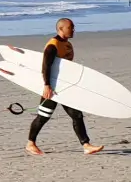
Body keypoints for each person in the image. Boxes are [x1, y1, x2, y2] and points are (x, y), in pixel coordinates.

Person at [26, 18, 104, 156]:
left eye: (73, 27)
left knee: (77, 115)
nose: (73, 30)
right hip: (53, 87)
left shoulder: (67, 44)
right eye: (70, 27)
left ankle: (86, 145)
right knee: (43, 116)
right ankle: (30, 143)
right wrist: (47, 85)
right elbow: (45, 67)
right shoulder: (53, 45)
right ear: (61, 29)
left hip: (65, 87)